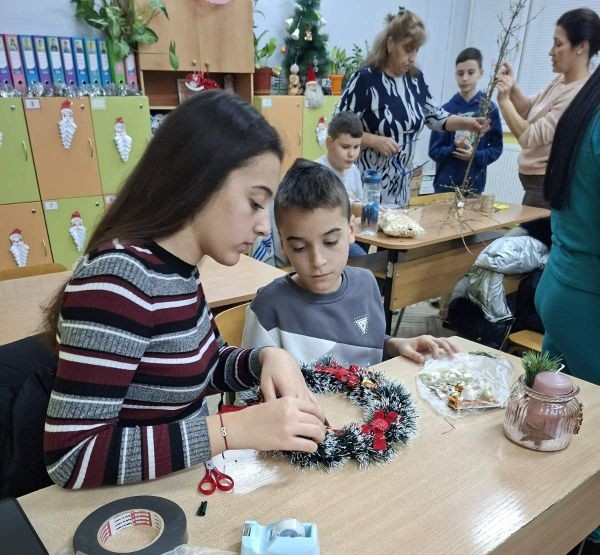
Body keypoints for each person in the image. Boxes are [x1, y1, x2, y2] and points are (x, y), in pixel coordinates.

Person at [43, 91, 327, 490]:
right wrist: (230, 429)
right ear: (200, 181)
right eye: (254, 202)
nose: (265, 226)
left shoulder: (179, 270)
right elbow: (72, 456)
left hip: (180, 484)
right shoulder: (118, 280)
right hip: (130, 503)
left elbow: (198, 367)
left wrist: (266, 358)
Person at [242, 160, 457, 367]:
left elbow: (368, 346)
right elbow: (251, 387)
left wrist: (397, 344)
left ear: (351, 230)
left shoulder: (366, 284)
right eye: (299, 247)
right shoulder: (269, 306)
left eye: (330, 242)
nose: (318, 261)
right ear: (283, 245)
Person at [535, 64, 600, 555]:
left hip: (563, 282)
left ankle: (549, 542)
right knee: (584, 432)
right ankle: (581, 542)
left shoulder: (589, 101)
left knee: (554, 423)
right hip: (589, 300)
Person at [338, 9, 487, 207]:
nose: (413, 57)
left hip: (401, 190)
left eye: (416, 50)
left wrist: (468, 123)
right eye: (408, 49)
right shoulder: (365, 80)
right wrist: (374, 140)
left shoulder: (415, 80)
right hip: (368, 188)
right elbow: (338, 128)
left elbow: (437, 117)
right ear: (390, 44)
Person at [494, 7, 600, 208]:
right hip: (533, 185)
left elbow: (530, 138)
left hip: (544, 186)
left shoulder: (578, 95)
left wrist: (504, 101)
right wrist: (512, 88)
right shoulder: (560, 81)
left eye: (558, 44)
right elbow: (528, 109)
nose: (551, 52)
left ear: (581, 47)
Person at [429, 47, 503, 194]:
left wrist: (475, 156)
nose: (464, 78)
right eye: (460, 73)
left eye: (471, 72)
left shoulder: (489, 109)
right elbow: (434, 151)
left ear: (481, 73)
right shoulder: (445, 111)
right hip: (444, 187)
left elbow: (496, 148)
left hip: (473, 187)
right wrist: (453, 148)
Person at [315, 111, 365, 259]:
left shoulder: (354, 171)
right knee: (362, 258)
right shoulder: (317, 172)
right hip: (324, 238)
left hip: (347, 232)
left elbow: (358, 204)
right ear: (329, 143)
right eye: (345, 147)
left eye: (356, 147)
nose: (351, 154)